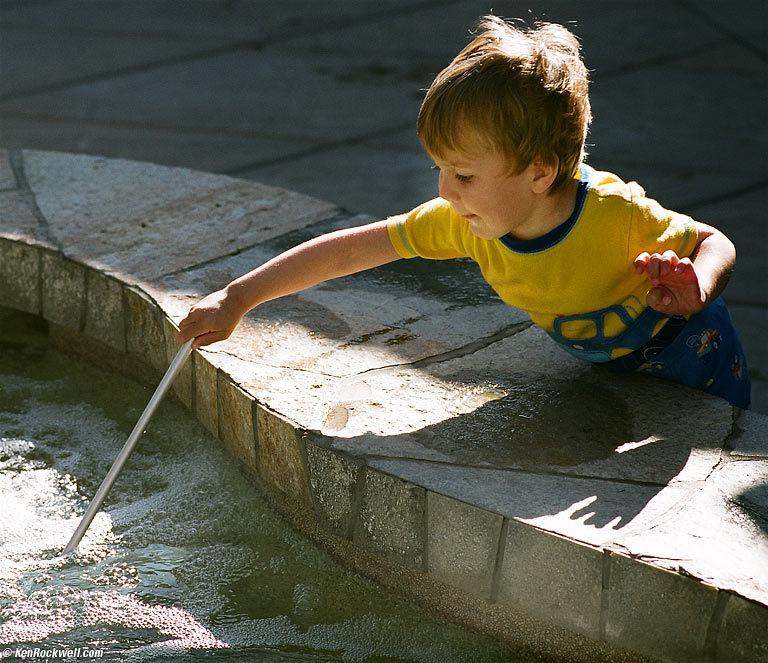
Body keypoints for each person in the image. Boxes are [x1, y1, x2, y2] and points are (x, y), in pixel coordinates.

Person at [177, 15, 751, 409]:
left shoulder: (613, 215)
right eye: (440, 171)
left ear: (540, 173)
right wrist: (239, 298)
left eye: (465, 175)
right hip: (612, 370)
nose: (447, 192)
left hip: (697, 358)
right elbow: (353, 248)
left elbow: (714, 240)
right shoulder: (467, 223)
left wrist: (697, 283)